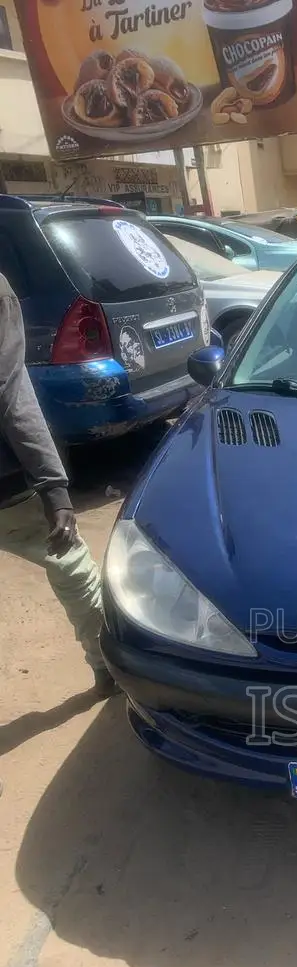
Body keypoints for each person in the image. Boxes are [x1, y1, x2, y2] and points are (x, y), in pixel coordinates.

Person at [0, 273, 115, 696]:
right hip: (11, 488)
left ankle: (107, 666)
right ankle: (108, 665)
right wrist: (54, 488)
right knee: (72, 569)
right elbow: (11, 394)